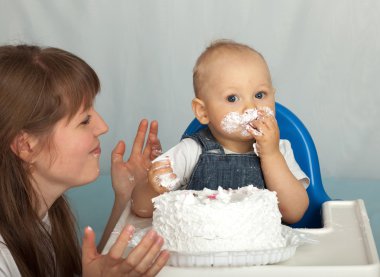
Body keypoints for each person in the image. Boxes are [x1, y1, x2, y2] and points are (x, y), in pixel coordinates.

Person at [0, 44, 169, 276]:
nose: (103, 127)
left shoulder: (40, 214)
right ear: (26, 146)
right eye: (85, 120)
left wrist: (125, 196)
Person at [131, 40, 309, 224]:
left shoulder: (279, 150)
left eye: (260, 95)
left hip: (261, 249)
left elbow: (294, 213)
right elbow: (140, 208)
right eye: (232, 98)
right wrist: (152, 189)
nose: (251, 107)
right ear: (203, 111)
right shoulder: (191, 152)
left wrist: (271, 155)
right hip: (201, 247)